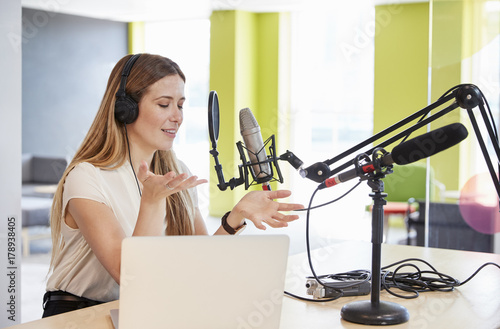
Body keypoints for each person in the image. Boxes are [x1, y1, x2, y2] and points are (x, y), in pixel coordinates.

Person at [42, 53, 304, 317]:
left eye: (180, 105)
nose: (177, 116)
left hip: (143, 310)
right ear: (125, 109)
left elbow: (203, 262)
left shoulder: (176, 172)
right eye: (164, 104)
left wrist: (235, 217)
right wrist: (152, 201)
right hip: (77, 312)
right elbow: (130, 275)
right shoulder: (86, 176)